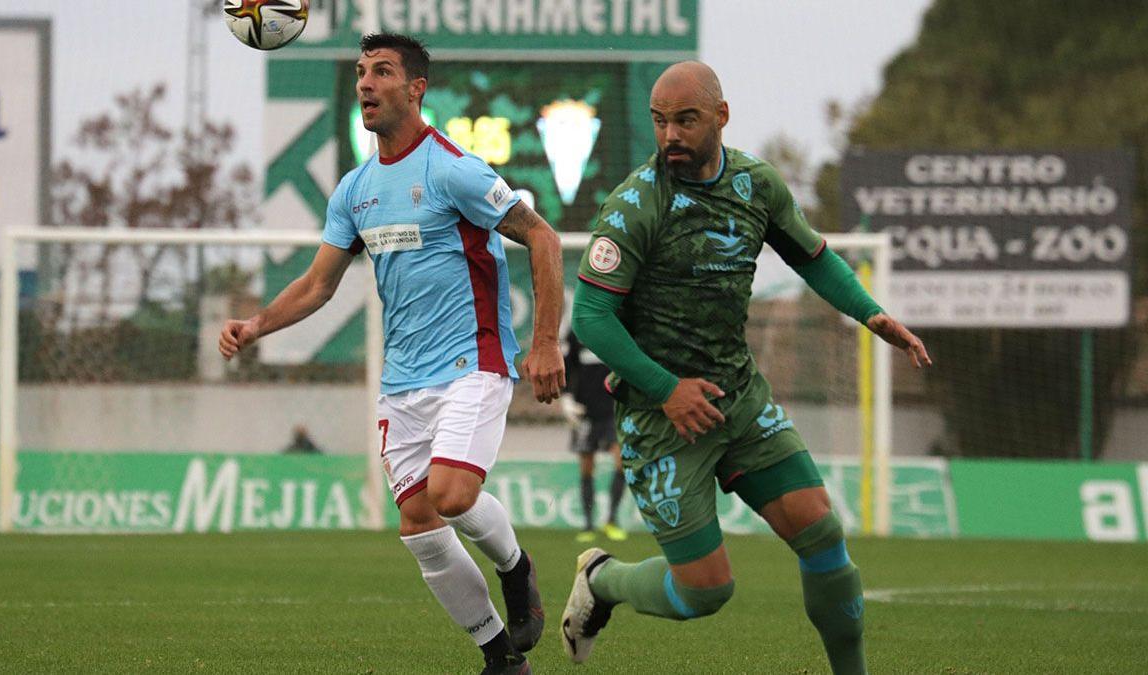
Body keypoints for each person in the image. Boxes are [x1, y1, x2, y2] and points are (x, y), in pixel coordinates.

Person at [559, 61, 932, 674]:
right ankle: (603, 580)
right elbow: (594, 316)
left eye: (686, 119)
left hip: (740, 398)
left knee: (823, 536)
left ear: (721, 116)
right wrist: (666, 389)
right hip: (661, 418)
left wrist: (871, 314)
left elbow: (813, 258)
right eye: (660, 121)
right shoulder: (633, 205)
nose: (671, 134)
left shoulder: (757, 185)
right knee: (706, 591)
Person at [219, 33, 565, 675]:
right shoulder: (354, 189)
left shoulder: (453, 169)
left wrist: (545, 342)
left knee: (453, 495)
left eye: (381, 72)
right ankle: (499, 658)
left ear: (416, 89)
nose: (365, 85)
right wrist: (257, 324)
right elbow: (320, 285)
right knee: (418, 522)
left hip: (474, 361)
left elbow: (542, 239)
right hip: (403, 381)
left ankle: (517, 569)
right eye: (359, 73)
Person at [561, 330, 626, 543]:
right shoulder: (577, 332)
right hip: (585, 411)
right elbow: (567, 366)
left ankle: (612, 520)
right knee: (587, 466)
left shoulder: (616, 328)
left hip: (613, 409)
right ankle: (588, 524)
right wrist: (566, 398)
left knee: (621, 462)